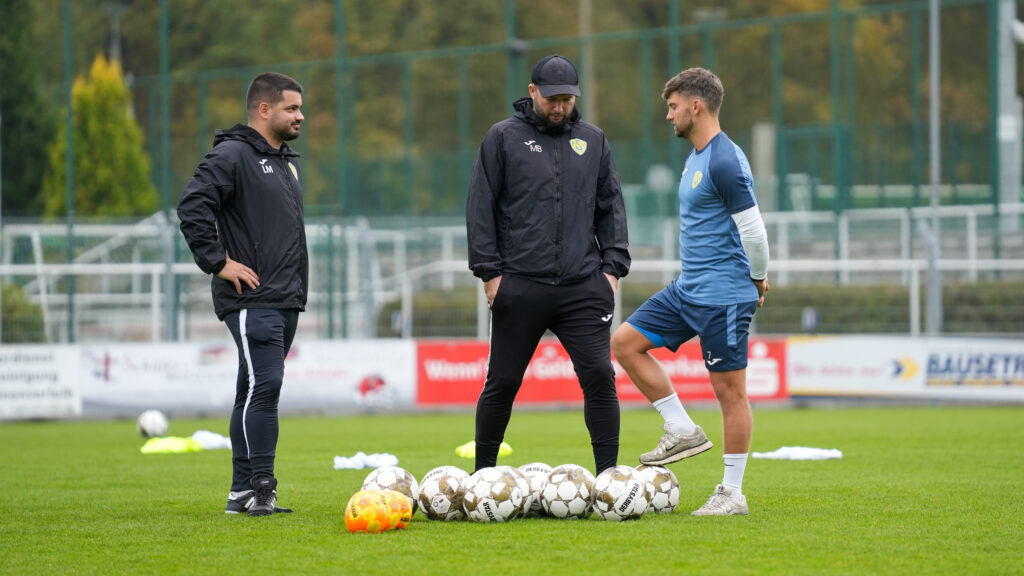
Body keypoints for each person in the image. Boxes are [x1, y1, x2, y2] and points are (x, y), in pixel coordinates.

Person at [610, 67, 769, 516]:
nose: (668, 115)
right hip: (687, 290)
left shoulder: (724, 160)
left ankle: (732, 493)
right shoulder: (697, 156)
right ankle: (681, 428)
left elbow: (753, 232)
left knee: (729, 392)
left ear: (695, 107)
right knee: (625, 343)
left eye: (674, 106)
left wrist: (757, 278)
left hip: (723, 296)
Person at [466, 55, 631, 475]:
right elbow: (480, 205)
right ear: (533, 91)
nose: (560, 107)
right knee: (502, 383)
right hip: (519, 284)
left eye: (568, 100)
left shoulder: (593, 140)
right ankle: (483, 476)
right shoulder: (503, 138)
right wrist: (490, 274)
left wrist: (611, 270)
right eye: (552, 99)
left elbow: (611, 206)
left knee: (599, 376)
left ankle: (608, 477)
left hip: (583, 286)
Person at [178, 72, 308, 517]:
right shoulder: (231, 155)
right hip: (252, 300)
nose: (301, 116)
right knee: (266, 387)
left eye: (300, 108)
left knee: (251, 390)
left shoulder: (286, 163)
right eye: (292, 108)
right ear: (264, 110)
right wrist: (218, 262)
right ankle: (262, 487)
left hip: (284, 298)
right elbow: (192, 206)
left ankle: (240, 491)